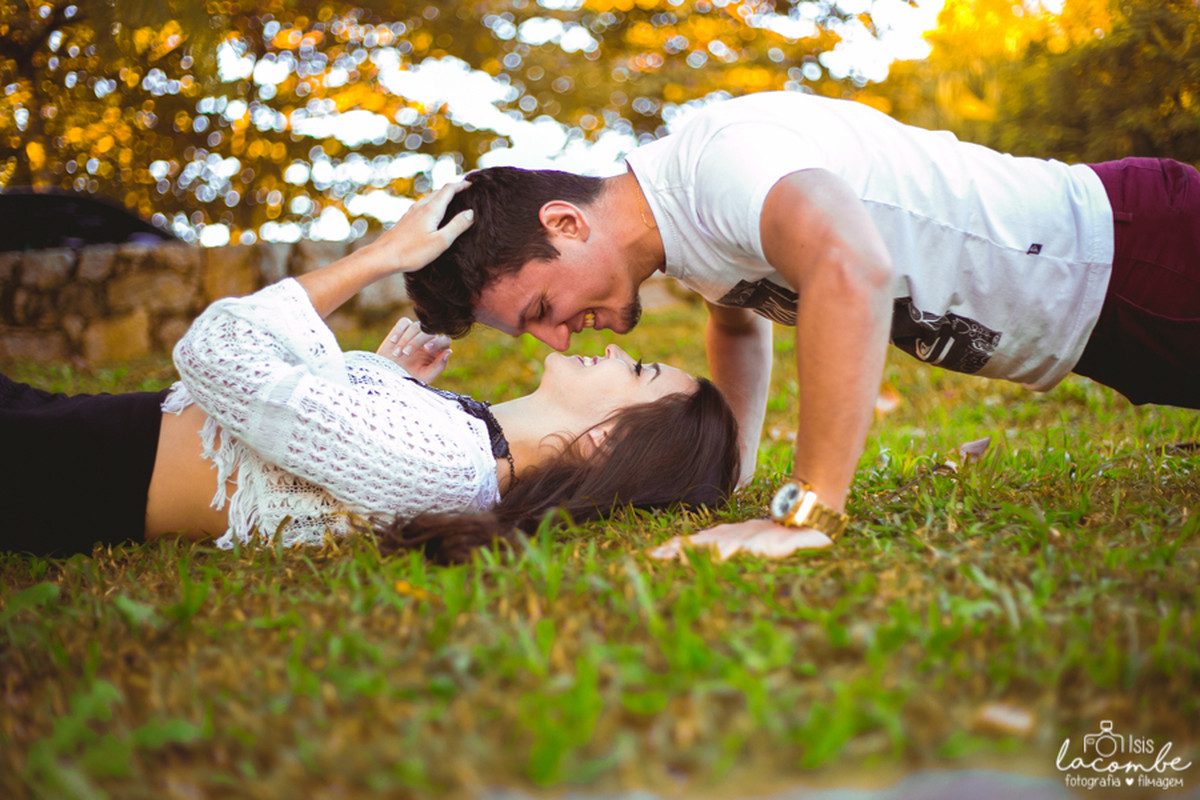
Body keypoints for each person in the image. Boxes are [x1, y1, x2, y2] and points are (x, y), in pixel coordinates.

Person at [403, 91, 1200, 560]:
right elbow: (740, 327)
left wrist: (806, 510)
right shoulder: (681, 229)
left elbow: (849, 264)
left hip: (1136, 257)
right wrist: (728, 468)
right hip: (1101, 324)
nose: (558, 339)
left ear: (566, 224)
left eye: (541, 310)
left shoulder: (721, 164)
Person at [1, 185, 740, 562]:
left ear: (611, 444)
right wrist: (387, 379)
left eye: (639, 370)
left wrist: (378, 258)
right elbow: (316, 446)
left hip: (73, 466)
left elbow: (214, 354)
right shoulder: (464, 447)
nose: (615, 349)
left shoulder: (437, 461)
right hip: (90, 436)